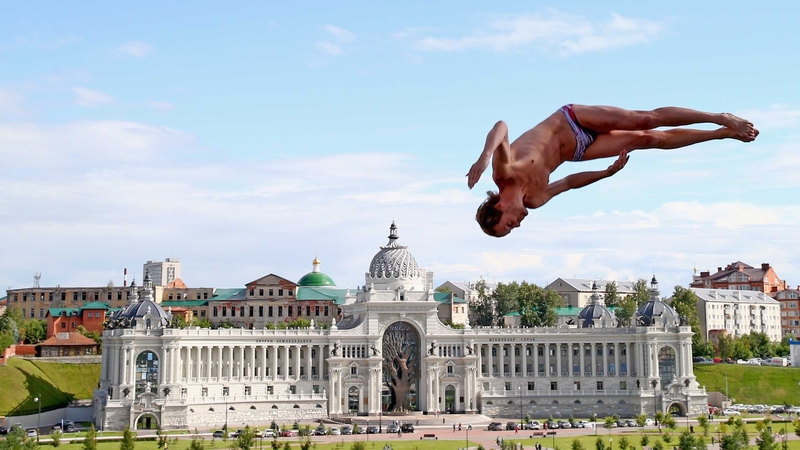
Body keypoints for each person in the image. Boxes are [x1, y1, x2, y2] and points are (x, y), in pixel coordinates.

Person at [467, 104, 759, 237]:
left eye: (508, 225)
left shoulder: (503, 173)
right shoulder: (535, 200)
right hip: (579, 150)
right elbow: (569, 181)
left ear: (500, 206)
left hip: (570, 120)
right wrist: (606, 173)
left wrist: (484, 156)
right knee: (647, 140)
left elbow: (502, 127)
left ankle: (719, 117)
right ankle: (721, 134)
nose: (516, 226)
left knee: (645, 120)